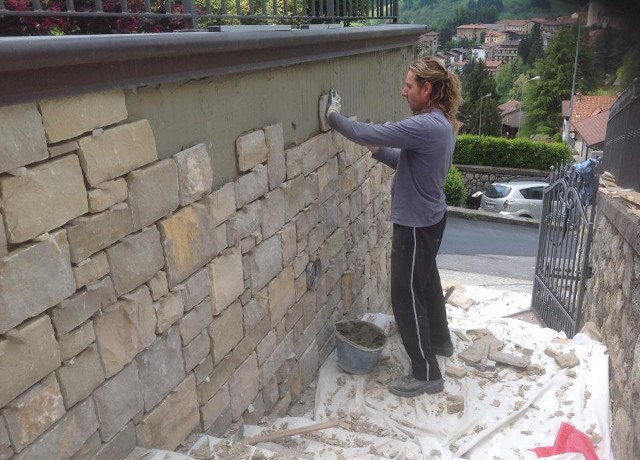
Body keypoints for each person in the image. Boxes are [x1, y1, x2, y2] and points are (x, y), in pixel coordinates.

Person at [326, 56, 463, 397]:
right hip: (430, 218)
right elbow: (404, 162)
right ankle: (441, 341)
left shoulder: (424, 126)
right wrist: (377, 150)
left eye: (409, 86)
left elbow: (369, 131)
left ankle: (426, 372)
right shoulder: (439, 123)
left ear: (427, 89)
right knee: (427, 284)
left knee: (405, 296)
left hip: (415, 225)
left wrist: (333, 118)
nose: (404, 92)